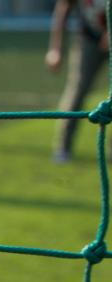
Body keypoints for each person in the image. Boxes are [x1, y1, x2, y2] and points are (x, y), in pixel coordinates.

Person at [47, 0, 109, 163]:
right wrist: (55, 49)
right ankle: (63, 148)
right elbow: (63, 7)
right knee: (78, 89)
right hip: (88, 37)